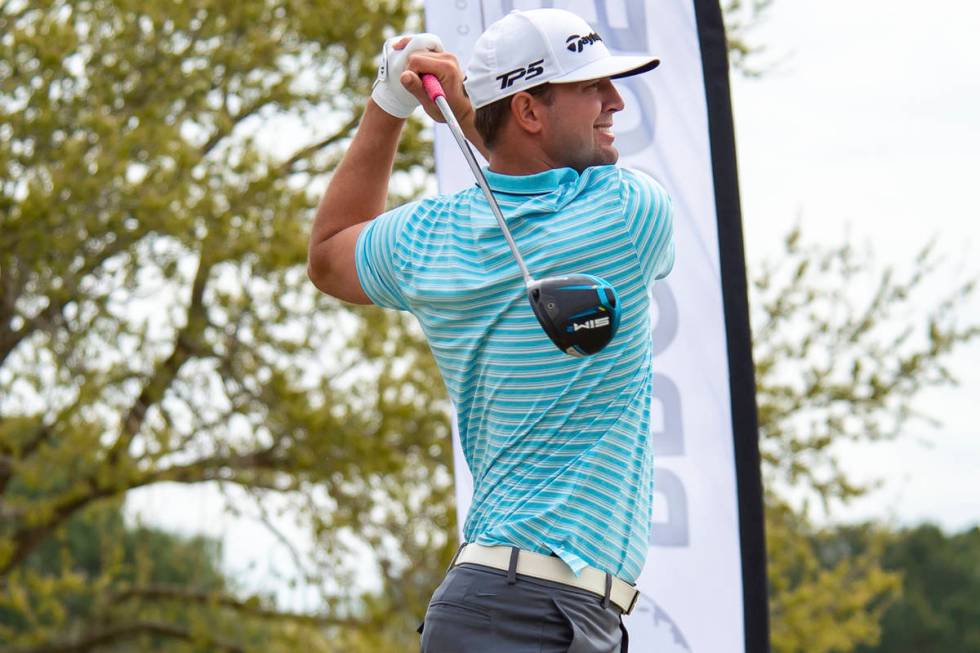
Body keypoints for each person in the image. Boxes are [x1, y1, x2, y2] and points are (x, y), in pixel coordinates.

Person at [307, 8, 674, 653]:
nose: (616, 101)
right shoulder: (627, 212)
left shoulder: (427, 237)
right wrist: (468, 115)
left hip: (512, 608)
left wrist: (389, 100)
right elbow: (522, 173)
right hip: (540, 614)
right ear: (531, 111)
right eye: (591, 87)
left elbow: (331, 251)